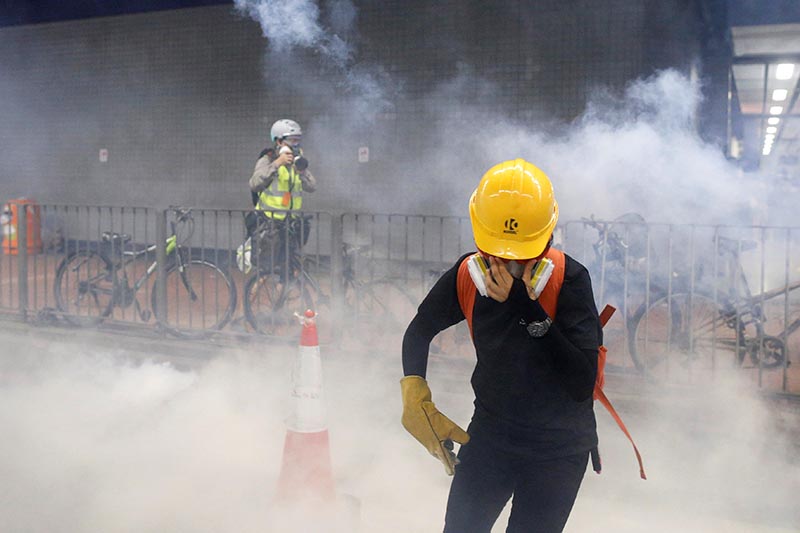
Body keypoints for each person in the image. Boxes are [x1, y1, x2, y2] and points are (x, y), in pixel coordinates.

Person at [400, 159, 601, 533]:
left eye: (521, 255)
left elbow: (580, 381)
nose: (507, 265)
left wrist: (526, 307)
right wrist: (415, 394)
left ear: (547, 240)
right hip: (492, 436)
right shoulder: (467, 275)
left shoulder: (569, 280)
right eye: (497, 253)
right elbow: (419, 330)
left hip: (558, 450)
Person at [246, 118, 317, 273]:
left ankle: (283, 293)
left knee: (289, 268)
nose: (296, 145)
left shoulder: (297, 162)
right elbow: (254, 183)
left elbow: (312, 186)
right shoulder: (268, 159)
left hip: (290, 224)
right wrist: (277, 164)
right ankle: (254, 293)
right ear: (279, 141)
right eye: (292, 140)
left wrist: (302, 171)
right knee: (269, 267)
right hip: (270, 224)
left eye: (298, 140)